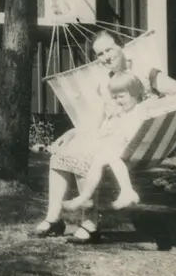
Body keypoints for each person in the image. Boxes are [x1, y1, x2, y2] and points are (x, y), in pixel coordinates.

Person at [33, 31, 175, 243]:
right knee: (60, 154)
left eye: (109, 49)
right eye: (99, 54)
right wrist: (73, 132)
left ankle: (89, 224)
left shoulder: (147, 72)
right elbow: (96, 120)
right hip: (109, 134)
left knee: (85, 156)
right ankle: (54, 218)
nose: (106, 57)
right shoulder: (105, 81)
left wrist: (154, 110)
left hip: (132, 141)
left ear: (122, 47)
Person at [60, 72, 148, 212]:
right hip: (116, 148)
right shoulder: (121, 113)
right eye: (115, 97)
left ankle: (127, 191)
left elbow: (134, 132)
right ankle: (84, 197)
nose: (118, 100)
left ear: (135, 94)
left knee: (109, 157)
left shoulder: (139, 111)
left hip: (130, 149)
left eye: (122, 96)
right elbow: (108, 131)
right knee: (97, 161)